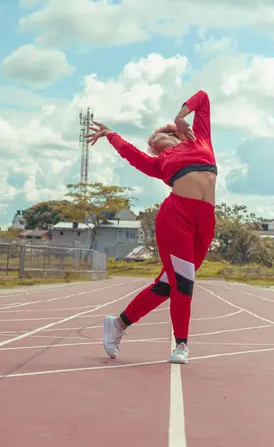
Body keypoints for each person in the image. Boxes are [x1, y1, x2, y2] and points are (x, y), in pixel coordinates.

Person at [86, 89, 217, 364]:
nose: (156, 144)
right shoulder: (159, 164)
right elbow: (129, 153)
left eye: (159, 137)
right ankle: (181, 344)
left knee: (168, 285)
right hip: (176, 216)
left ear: (176, 133)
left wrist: (181, 115)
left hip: (205, 218)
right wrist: (111, 135)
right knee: (184, 283)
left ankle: (118, 323)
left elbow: (203, 98)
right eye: (153, 145)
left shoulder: (199, 138)